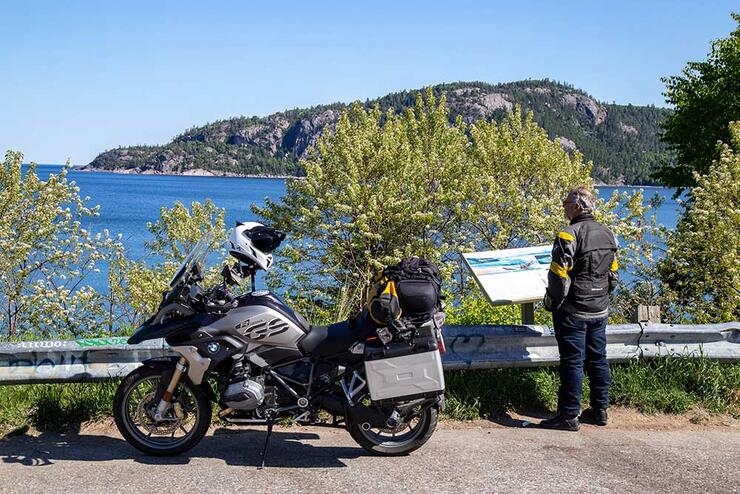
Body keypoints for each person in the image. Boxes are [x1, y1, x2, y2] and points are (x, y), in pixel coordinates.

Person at [539, 186, 619, 431]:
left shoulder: (569, 234)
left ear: (576, 207)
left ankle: (569, 415)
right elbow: (613, 274)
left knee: (572, 361)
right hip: (600, 308)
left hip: (574, 309)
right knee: (598, 358)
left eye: (565, 204)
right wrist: (603, 298)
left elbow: (559, 275)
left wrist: (551, 302)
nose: (563, 208)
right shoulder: (608, 234)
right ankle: (599, 409)